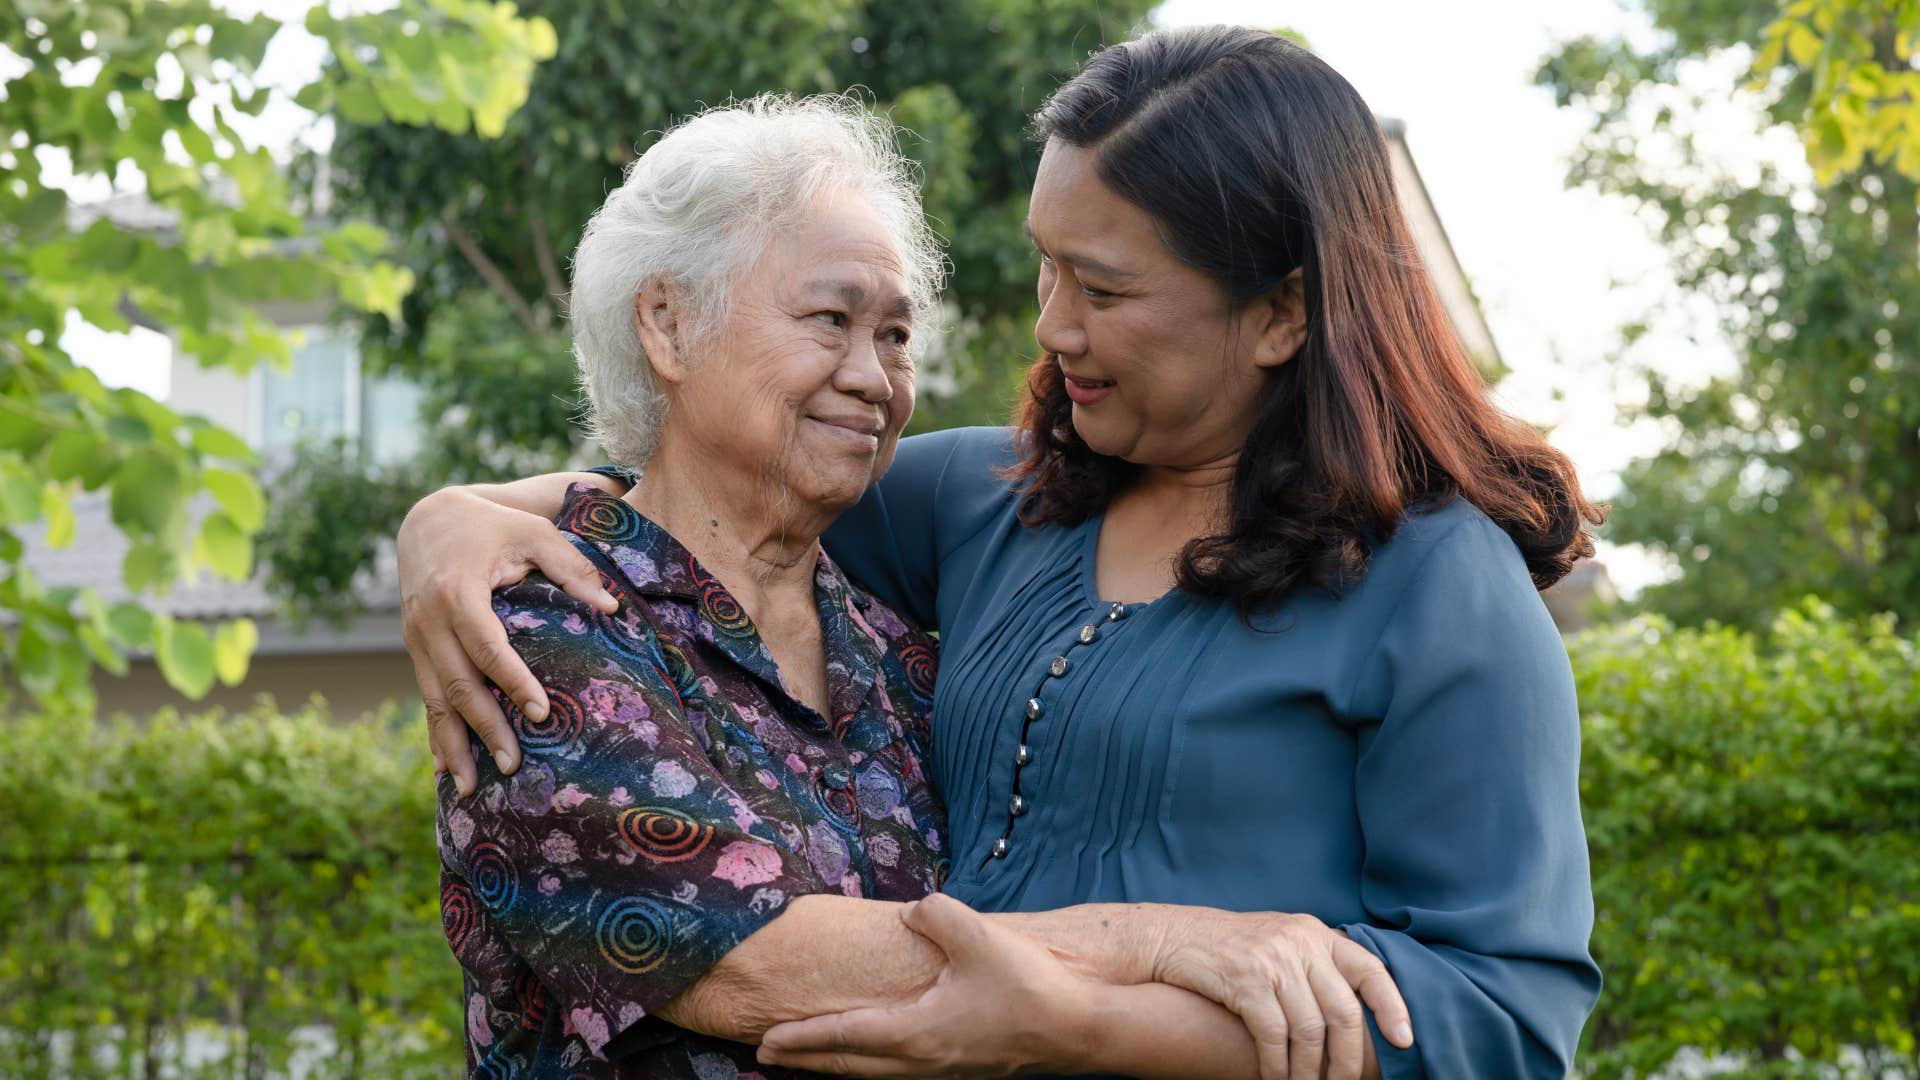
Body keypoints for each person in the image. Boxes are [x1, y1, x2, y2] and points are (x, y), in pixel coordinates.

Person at [407, 26, 1604, 1079]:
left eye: (1103, 286)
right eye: (1046, 265)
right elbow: (706, 492)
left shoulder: (1438, 584)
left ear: (1282, 313)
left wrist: (1087, 1022)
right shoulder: (992, 502)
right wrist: (449, 518)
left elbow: (1505, 1017)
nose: (1052, 326)